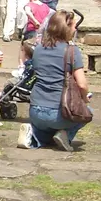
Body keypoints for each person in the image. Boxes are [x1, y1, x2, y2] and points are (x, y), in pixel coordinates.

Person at [17, 10, 89, 152]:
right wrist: (84, 98)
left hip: (35, 110)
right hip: (60, 111)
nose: (75, 29)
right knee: (87, 113)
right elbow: (82, 84)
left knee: (46, 130)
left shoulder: (38, 49)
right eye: (74, 26)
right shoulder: (72, 51)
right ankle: (65, 135)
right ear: (66, 28)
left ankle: (34, 135)